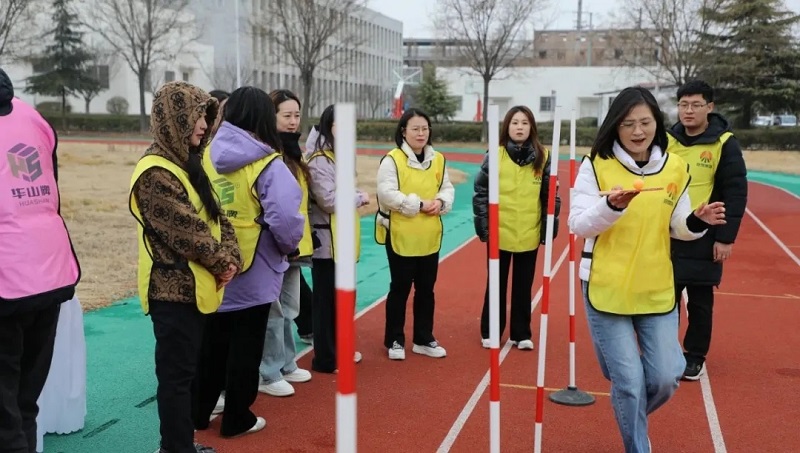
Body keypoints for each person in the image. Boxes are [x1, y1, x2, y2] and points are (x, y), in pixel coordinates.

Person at [569, 86, 727, 453]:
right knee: (628, 382)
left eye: (645, 122)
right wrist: (611, 206)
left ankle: (629, 407)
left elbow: (678, 227)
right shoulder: (596, 165)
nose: (638, 131)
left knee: (666, 377)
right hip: (606, 284)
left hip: (655, 284)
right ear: (615, 126)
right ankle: (638, 445)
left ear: (657, 122)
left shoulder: (675, 167)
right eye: (628, 124)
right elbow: (578, 225)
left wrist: (697, 221)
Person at [129, 81, 242, 453]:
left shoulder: (189, 163)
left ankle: (182, 444)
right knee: (176, 378)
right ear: (175, 120)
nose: (205, 126)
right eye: (197, 117)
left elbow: (217, 217)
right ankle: (175, 448)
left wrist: (231, 258)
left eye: (206, 118)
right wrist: (223, 262)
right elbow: (186, 231)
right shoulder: (154, 172)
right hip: (171, 292)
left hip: (197, 287)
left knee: (188, 374)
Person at [193, 86, 305, 437]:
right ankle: (237, 417)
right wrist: (287, 247)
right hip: (254, 267)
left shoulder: (204, 155)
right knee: (246, 346)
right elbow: (286, 220)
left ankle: (198, 412)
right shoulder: (268, 163)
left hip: (211, 265)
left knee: (212, 344)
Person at [0, 67, 81, 453]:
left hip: (8, 277)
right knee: (25, 400)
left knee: (5, 412)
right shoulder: (32, 116)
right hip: (50, 269)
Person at [666, 80, 748, 380]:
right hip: (668, 234)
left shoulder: (724, 143)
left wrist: (725, 238)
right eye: (683, 105)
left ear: (709, 107)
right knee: (665, 300)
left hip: (705, 235)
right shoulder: (666, 140)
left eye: (696, 105)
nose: (688, 111)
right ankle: (665, 351)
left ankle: (695, 356)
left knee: (700, 302)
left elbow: (735, 192)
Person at [472, 105, 560, 351]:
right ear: (507, 127)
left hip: (529, 231)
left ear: (531, 127)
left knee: (523, 285)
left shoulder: (544, 156)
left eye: (524, 123)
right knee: (496, 284)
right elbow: (480, 191)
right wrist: (483, 226)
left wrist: (549, 228)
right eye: (515, 122)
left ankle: (521, 333)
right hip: (499, 231)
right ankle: (491, 331)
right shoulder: (495, 155)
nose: (519, 127)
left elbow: (550, 195)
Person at [375, 108, 455, 361]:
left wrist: (441, 202)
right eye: (415, 129)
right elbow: (386, 193)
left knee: (426, 289)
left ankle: (423, 338)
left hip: (429, 235)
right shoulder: (392, 160)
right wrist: (418, 204)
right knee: (400, 288)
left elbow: (447, 187)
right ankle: (394, 339)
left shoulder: (438, 159)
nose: (421, 133)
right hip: (401, 234)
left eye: (424, 128)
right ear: (403, 132)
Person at [306, 104, 369, 373]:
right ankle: (326, 359)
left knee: (341, 300)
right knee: (326, 303)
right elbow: (329, 200)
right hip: (327, 243)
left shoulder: (339, 155)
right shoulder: (320, 159)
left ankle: (339, 350)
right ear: (327, 126)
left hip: (342, 240)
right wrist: (358, 197)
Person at [258, 89, 313, 397]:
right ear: (271, 117)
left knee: (290, 308)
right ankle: (268, 372)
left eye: (297, 115)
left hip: (295, 244)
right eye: (286, 115)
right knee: (273, 311)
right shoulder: (268, 153)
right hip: (275, 245)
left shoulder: (293, 152)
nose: (293, 121)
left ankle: (287, 363)